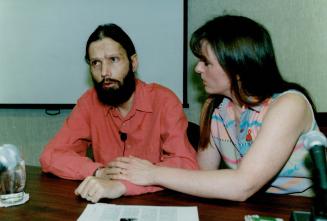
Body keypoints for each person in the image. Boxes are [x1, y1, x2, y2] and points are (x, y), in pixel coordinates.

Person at [106, 15, 321, 201]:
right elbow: (200, 175)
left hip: (300, 210)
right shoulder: (215, 108)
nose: (198, 68)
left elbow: (243, 185)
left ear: (237, 66)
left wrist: (152, 173)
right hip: (248, 209)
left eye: (206, 62)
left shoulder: (289, 105)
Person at [39, 23, 198, 202]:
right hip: (105, 206)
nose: (104, 73)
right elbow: (51, 156)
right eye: (96, 63)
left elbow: (186, 165)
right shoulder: (89, 102)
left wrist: (123, 185)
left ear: (133, 62)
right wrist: (98, 171)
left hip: (160, 204)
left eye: (113, 60)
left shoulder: (164, 100)